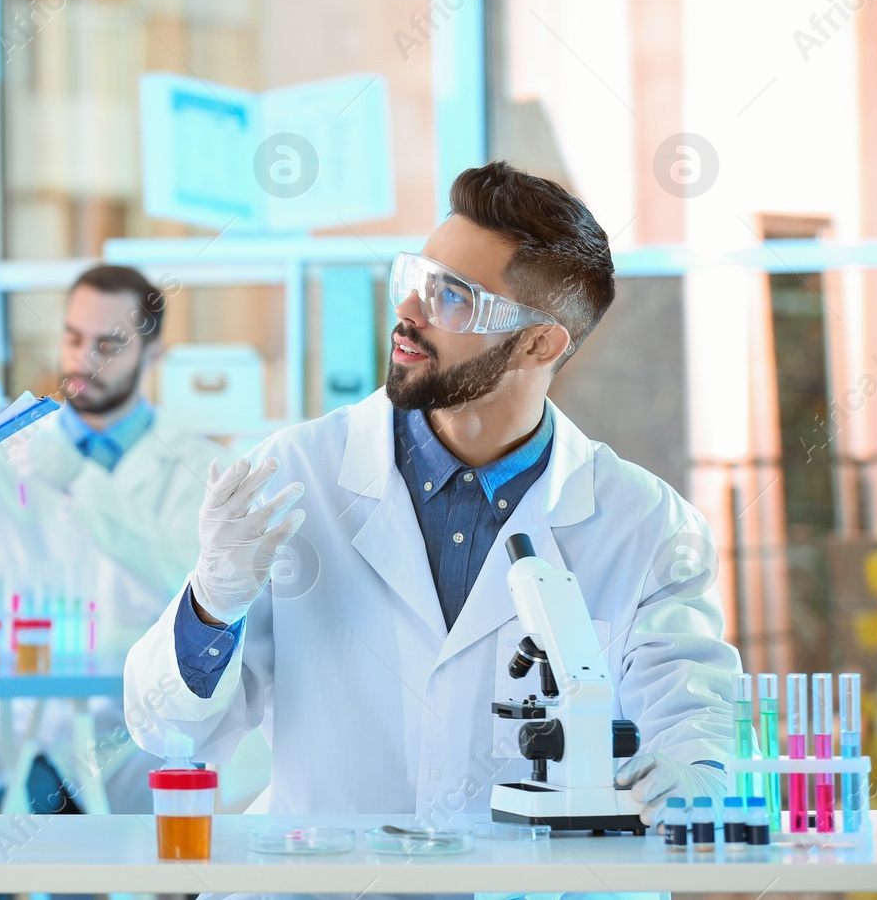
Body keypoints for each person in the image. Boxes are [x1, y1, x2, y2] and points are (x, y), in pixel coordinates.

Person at [123, 161, 741, 842]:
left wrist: (694, 772)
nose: (408, 312)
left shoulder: (648, 526)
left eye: (452, 298)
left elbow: (694, 723)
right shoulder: (295, 474)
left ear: (538, 341)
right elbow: (167, 730)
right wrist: (213, 602)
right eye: (413, 278)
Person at [0, 265, 227, 816]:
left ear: (152, 355)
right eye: (74, 338)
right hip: (6, 734)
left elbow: (189, 585)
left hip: (125, 743)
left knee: (65, 853)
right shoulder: (12, 449)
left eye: (108, 344)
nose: (84, 360)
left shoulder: (194, 467)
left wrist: (83, 483)